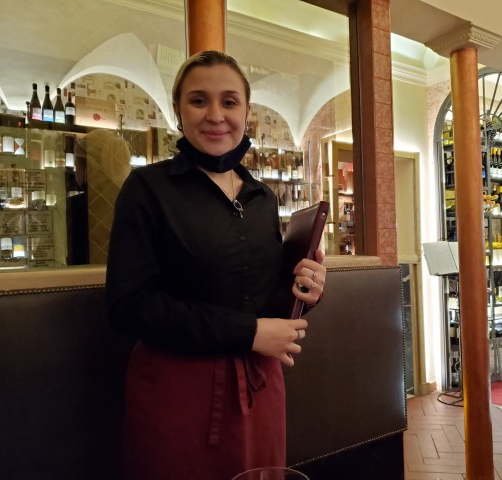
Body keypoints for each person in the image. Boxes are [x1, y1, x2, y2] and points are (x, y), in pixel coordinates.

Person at [106, 50, 326, 480]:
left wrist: (306, 290)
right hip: (177, 390)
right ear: (178, 110)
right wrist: (249, 332)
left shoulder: (262, 198)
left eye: (229, 101)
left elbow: (264, 301)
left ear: (246, 111)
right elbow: (129, 306)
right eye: (198, 100)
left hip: (260, 386)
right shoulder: (147, 188)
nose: (215, 115)